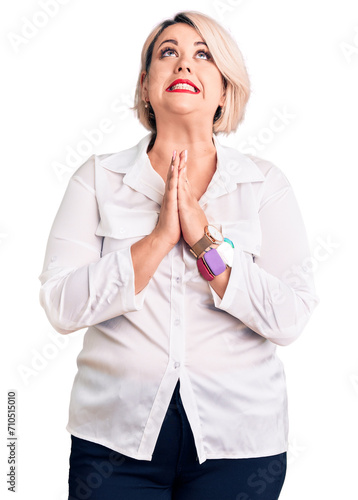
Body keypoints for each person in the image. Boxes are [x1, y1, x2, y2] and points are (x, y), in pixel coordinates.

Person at [38, 10, 319, 500]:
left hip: (238, 446)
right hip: (113, 444)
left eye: (203, 55)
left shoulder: (264, 184)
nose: (184, 65)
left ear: (224, 90)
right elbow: (61, 305)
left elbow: (290, 317)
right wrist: (159, 238)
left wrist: (203, 243)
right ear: (146, 85)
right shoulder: (97, 178)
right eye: (168, 53)